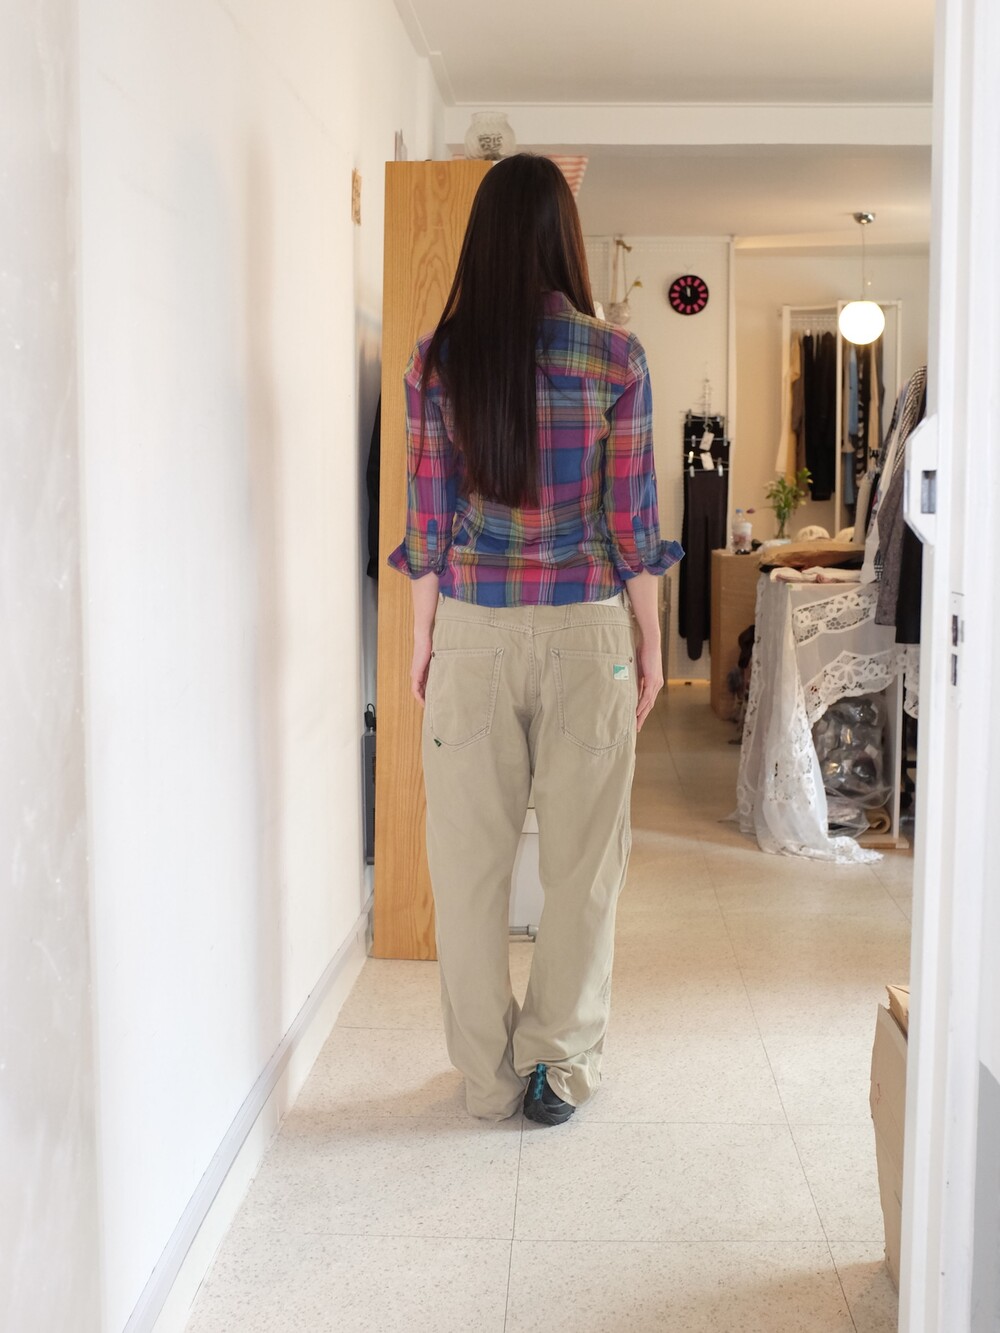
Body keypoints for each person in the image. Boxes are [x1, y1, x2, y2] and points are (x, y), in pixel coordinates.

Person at [387, 154, 683, 1126]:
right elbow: (633, 525)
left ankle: (487, 1077)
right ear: (565, 239)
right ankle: (557, 1063)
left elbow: (428, 524)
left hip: (471, 628)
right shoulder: (616, 358)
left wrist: (426, 640)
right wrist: (649, 642)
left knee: (466, 868)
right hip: (587, 630)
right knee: (583, 863)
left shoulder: (436, 360)